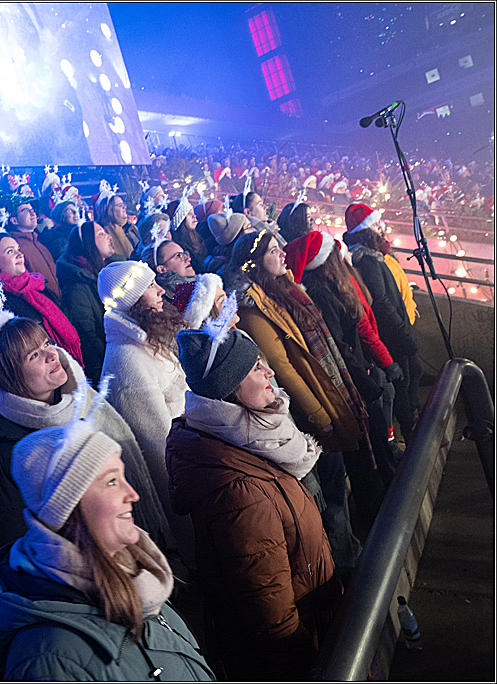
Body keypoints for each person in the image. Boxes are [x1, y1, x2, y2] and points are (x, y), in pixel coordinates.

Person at [0, 399, 215, 681]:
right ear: (69, 508)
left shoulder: (137, 574)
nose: (133, 495)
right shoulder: (49, 662)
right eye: (111, 482)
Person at [166, 326, 340, 680]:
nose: (270, 372)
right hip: (302, 647)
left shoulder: (249, 441)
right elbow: (272, 613)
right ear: (230, 389)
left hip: (314, 614)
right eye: (255, 367)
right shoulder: (239, 495)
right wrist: (312, 666)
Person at [224, 229, 368, 572]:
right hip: (308, 410)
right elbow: (283, 366)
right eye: (273, 251)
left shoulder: (282, 288)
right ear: (255, 263)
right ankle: (344, 564)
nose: (282, 255)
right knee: (330, 488)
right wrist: (320, 414)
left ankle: (347, 548)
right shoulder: (254, 309)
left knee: (336, 480)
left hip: (319, 391)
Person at [0, 316, 168, 561]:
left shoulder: (81, 401)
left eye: (46, 343)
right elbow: (12, 547)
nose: (51, 354)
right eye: (34, 355)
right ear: (10, 378)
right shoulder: (1, 453)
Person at [285, 230, 398, 516]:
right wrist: (367, 382)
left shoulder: (328, 287)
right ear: (327, 261)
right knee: (366, 452)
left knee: (373, 447)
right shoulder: (322, 294)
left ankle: (386, 500)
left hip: (359, 376)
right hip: (353, 383)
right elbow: (340, 347)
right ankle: (380, 511)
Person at [97, 260, 194, 570]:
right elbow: (159, 450)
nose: (161, 291)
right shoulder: (128, 361)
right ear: (134, 300)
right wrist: (189, 520)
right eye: (151, 286)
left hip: (194, 455)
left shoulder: (147, 337)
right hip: (186, 480)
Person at [343, 203, 420, 440]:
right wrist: (403, 334)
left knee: (410, 377)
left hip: (393, 332)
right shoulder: (368, 261)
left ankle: (411, 425)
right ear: (366, 231)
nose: (382, 228)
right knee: (402, 384)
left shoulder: (372, 257)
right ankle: (410, 433)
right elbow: (381, 302)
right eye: (376, 225)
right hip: (391, 336)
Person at [0, 229, 84, 368]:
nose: (20, 254)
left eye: (18, 249)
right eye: (10, 251)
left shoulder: (33, 285)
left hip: (62, 361)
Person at [57, 220, 119, 382]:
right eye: (101, 233)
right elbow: (88, 340)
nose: (109, 237)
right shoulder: (77, 288)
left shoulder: (103, 271)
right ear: (87, 243)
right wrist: (115, 364)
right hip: (107, 369)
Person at [4, 194, 62, 300]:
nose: (32, 213)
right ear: (14, 220)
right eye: (25, 211)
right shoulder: (16, 247)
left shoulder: (39, 242)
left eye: (32, 210)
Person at [95, 188, 140, 258]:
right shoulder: (106, 232)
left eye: (123, 204)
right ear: (109, 210)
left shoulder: (130, 227)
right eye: (119, 205)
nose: (124, 207)